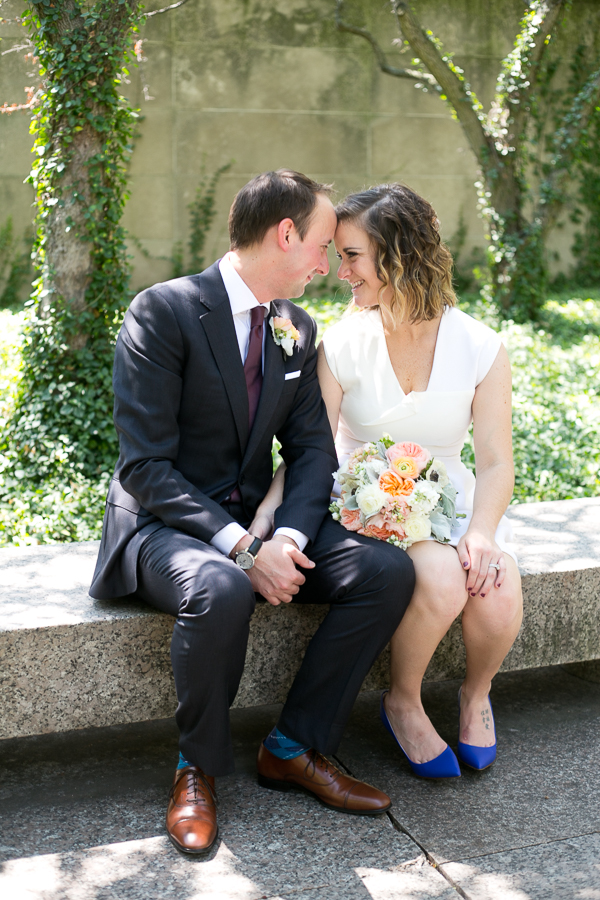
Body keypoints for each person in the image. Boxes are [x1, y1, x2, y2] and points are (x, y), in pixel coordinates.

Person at [89, 170, 415, 857]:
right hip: (163, 524)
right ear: (285, 233)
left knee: (385, 571)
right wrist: (244, 548)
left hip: (259, 523)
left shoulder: (296, 326)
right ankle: (196, 769)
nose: (329, 265)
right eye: (324, 246)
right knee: (221, 585)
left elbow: (310, 452)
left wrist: (288, 536)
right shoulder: (164, 311)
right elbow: (145, 467)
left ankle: (295, 746)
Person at [255, 182, 523, 779]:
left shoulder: (480, 346)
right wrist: (264, 522)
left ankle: (475, 694)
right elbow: (311, 446)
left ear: (398, 254)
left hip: (447, 498)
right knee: (444, 580)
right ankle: (403, 699)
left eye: (352, 256)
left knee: (497, 583)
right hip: (364, 502)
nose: (339, 271)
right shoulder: (343, 342)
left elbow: (497, 461)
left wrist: (481, 532)